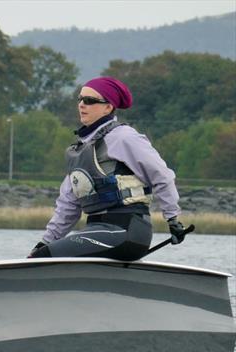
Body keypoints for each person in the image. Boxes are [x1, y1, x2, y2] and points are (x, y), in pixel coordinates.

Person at [29, 77, 186, 261]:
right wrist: (44, 242)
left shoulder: (124, 137)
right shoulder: (80, 151)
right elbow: (68, 206)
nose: (82, 105)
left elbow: (162, 176)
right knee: (42, 253)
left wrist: (172, 219)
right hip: (96, 231)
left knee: (47, 256)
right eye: (80, 99)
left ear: (108, 107)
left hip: (127, 232)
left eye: (89, 100)